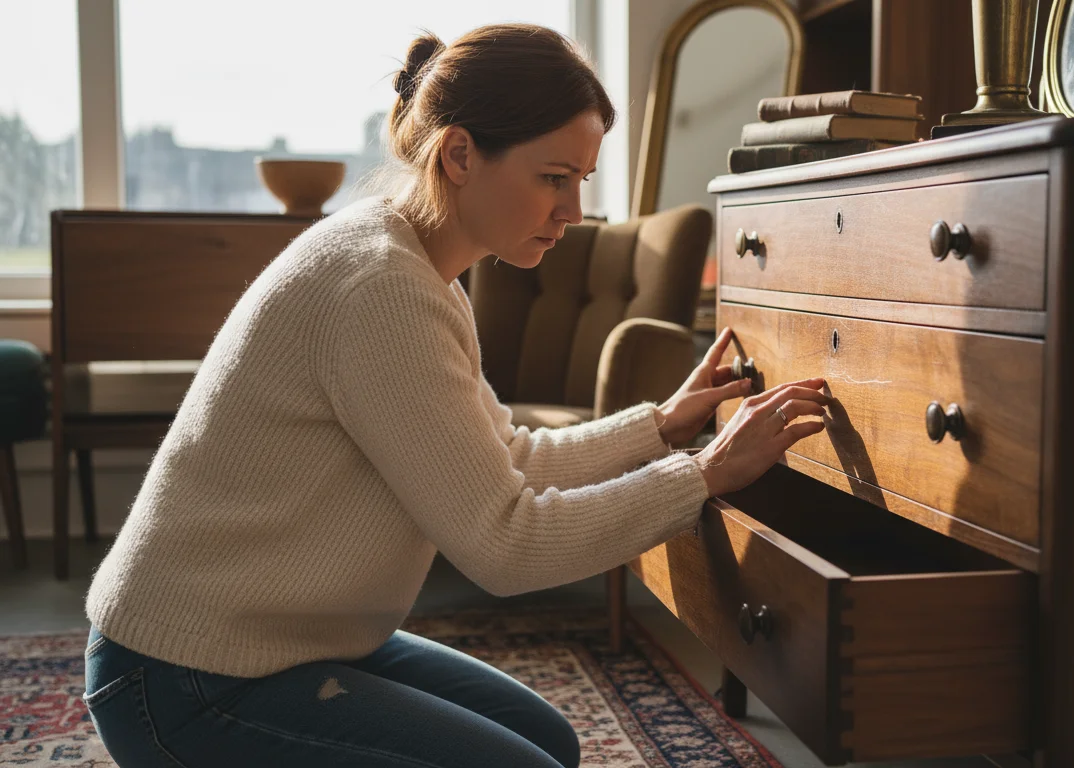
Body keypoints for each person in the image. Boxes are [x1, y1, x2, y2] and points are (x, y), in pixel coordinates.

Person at [80, 24, 828, 768]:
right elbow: (505, 545)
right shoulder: (380, 287)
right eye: (552, 177)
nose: (572, 209)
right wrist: (702, 475)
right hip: (186, 676)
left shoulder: (416, 268)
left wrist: (662, 428)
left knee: (551, 744)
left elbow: (507, 456)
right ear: (460, 154)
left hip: (284, 641)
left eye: (581, 182)